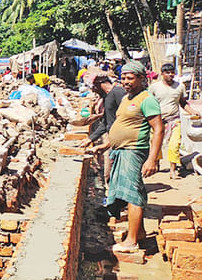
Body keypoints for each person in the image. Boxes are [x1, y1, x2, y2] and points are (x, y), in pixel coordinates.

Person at [95, 62, 163, 252]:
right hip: (121, 150)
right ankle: (139, 232)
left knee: (133, 195)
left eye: (130, 78)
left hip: (133, 151)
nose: (125, 81)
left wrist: (152, 159)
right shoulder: (126, 98)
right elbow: (124, 125)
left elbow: (158, 129)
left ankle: (131, 241)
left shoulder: (147, 99)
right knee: (129, 193)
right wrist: (105, 145)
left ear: (142, 79)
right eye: (123, 78)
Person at [149, 62, 192, 179]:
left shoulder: (180, 87)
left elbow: (183, 103)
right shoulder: (154, 88)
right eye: (167, 73)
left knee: (174, 145)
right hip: (158, 121)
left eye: (172, 72)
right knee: (155, 144)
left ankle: (173, 171)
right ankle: (156, 164)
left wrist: (192, 112)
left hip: (174, 120)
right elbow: (149, 103)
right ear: (162, 74)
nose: (170, 75)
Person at [82, 75, 127, 182]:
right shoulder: (107, 96)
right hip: (112, 135)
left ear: (99, 84)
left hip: (121, 137)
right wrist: (91, 138)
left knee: (113, 169)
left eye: (94, 88)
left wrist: (108, 143)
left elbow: (126, 117)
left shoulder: (118, 93)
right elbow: (107, 121)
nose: (93, 91)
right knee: (109, 170)